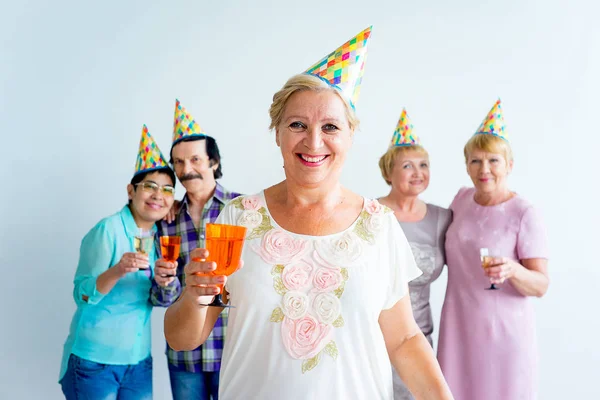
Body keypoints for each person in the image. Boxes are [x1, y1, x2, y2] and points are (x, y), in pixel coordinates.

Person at [164, 27, 454, 400]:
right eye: (297, 124)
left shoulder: (378, 225)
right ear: (278, 134)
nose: (314, 142)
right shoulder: (238, 218)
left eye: (330, 126)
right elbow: (185, 337)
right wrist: (194, 295)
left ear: (350, 135)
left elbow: (405, 339)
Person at [437, 100, 550, 400]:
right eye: (475, 161)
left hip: (503, 335)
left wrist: (513, 269)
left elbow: (541, 286)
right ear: (466, 166)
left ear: (509, 165)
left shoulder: (524, 212)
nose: (483, 169)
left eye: (493, 160)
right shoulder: (461, 199)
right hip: (458, 327)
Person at [59, 126, 176, 399]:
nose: (159, 195)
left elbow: (161, 301)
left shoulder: (163, 237)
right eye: (150, 186)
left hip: (138, 361)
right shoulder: (107, 231)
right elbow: (82, 294)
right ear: (131, 191)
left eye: (167, 190)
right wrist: (118, 269)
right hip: (93, 363)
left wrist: (164, 282)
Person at [150, 100, 241, 400]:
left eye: (195, 160)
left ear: (213, 162)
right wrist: (164, 282)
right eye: (178, 162)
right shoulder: (167, 220)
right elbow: (162, 298)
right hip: (184, 358)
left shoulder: (242, 209)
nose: (185, 170)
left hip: (233, 349)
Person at [377, 109, 452, 400]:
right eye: (408, 165)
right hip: (373, 339)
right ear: (388, 172)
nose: (418, 172)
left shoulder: (444, 219)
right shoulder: (369, 213)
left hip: (421, 339)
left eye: (424, 165)